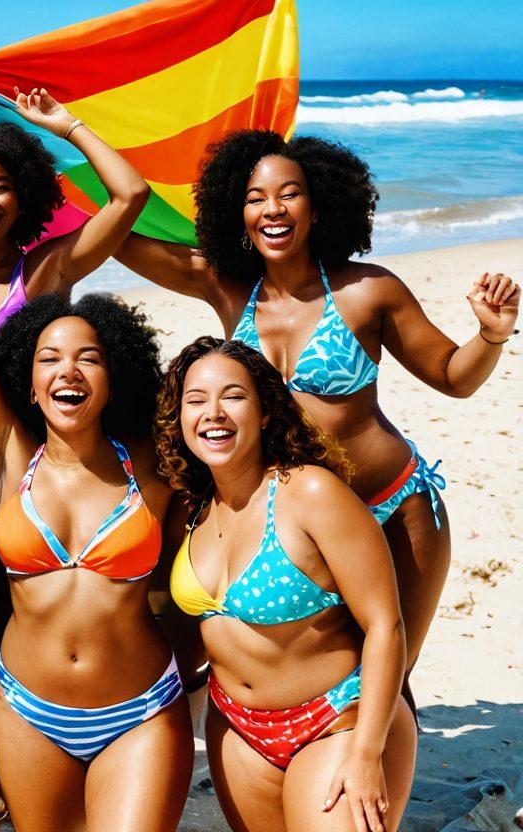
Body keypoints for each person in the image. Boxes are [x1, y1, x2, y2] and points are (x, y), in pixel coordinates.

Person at [116, 130, 519, 689]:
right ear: (236, 212)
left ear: (319, 205)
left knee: (390, 674)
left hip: (391, 506)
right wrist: (65, 143)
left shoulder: (367, 291)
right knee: (323, 672)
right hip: (292, 523)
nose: (273, 209)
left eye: (290, 194)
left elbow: (454, 377)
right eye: (255, 198)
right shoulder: (228, 288)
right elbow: (116, 231)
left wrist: (491, 335)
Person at [0, 247, 193, 830]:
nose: (68, 371)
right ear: (28, 382)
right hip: (26, 711)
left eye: (89, 358)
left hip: (141, 709)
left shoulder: (153, 465)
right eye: (49, 358)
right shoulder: (9, 455)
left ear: (114, 379)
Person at [156, 336, 417, 832]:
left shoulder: (310, 492)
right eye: (196, 400)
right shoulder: (192, 509)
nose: (213, 413)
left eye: (233, 396)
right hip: (237, 730)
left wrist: (367, 752)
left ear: (265, 413)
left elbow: (386, 625)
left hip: (336, 722)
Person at [0, 55, 150, 347]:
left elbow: (131, 194)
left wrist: (68, 127)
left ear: (23, 197)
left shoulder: (45, 270)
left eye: (0, 188)